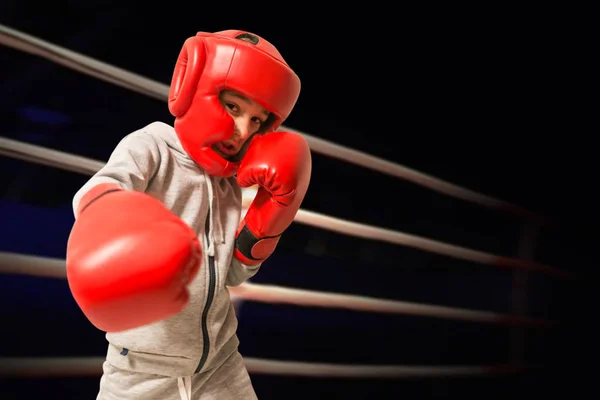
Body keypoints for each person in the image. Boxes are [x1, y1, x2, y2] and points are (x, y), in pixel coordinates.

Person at [65, 29, 311, 399]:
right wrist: (121, 233)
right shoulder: (151, 146)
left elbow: (231, 272)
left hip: (220, 363)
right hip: (141, 370)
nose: (243, 130)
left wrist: (269, 220)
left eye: (258, 120)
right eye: (233, 107)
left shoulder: (230, 183)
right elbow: (98, 193)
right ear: (195, 88)